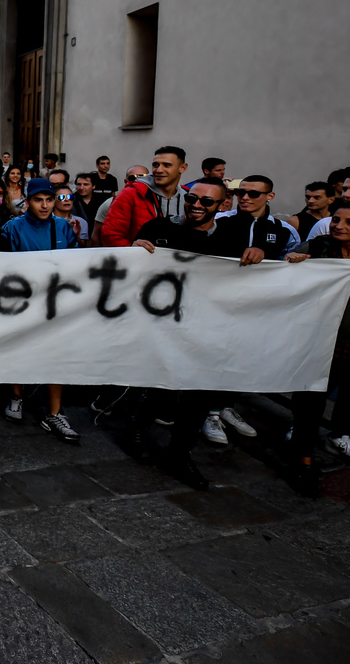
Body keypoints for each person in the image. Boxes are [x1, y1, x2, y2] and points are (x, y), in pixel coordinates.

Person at [123, 177, 260, 489]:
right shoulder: (159, 227)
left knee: (199, 393)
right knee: (158, 381)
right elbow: (133, 267)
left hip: (209, 326)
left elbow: (249, 277)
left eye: (206, 202)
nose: (196, 205)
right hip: (164, 321)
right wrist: (132, 250)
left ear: (222, 204)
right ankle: (137, 425)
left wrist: (258, 256)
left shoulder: (232, 236)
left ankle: (180, 452)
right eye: (191, 199)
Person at [285, 200, 350, 492]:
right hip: (312, 337)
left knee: (346, 394)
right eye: (336, 220)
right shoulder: (315, 249)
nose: (339, 226)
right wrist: (293, 262)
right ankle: (302, 458)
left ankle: (333, 439)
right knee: (310, 400)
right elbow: (279, 277)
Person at [0, 178, 81, 443]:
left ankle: (55, 412)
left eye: (49, 199)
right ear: (28, 201)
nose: (44, 206)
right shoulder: (12, 228)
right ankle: (16, 395)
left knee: (56, 353)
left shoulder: (62, 227)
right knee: (19, 347)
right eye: (38, 200)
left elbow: (76, 260)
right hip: (22, 301)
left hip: (54, 301)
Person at [101, 147, 189, 247]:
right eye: (155, 165)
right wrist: (131, 247)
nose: (159, 170)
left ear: (182, 168)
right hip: (139, 260)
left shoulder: (190, 198)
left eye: (166, 165)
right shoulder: (130, 194)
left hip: (180, 260)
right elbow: (110, 235)